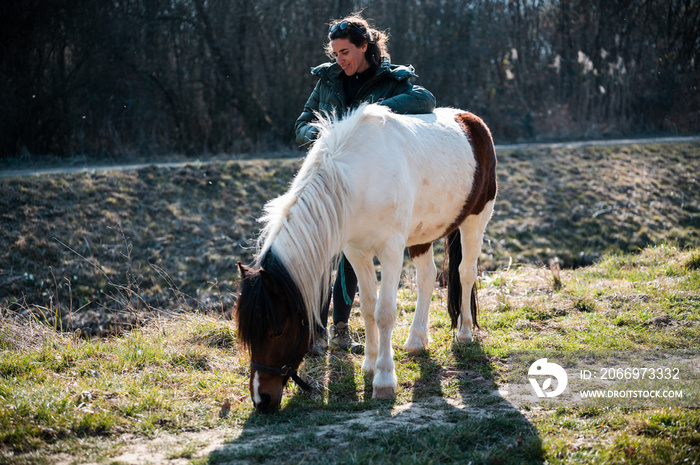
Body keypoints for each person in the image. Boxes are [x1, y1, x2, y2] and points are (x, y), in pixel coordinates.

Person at [294, 13, 436, 355]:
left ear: (363, 46)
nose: (339, 59)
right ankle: (315, 333)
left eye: (345, 52)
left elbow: (426, 100)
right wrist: (320, 134)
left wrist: (377, 111)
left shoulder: (392, 79)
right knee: (316, 250)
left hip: (371, 184)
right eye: (335, 53)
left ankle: (339, 331)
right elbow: (301, 122)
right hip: (327, 176)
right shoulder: (327, 79)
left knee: (351, 248)